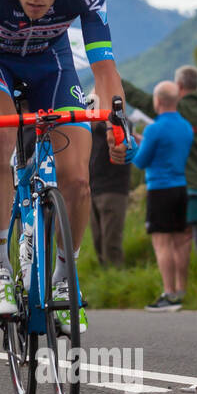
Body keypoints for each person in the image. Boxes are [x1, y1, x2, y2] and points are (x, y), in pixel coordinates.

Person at [0, 0, 133, 331]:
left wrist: (118, 125)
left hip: (52, 67)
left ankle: (62, 278)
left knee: (76, 178)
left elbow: (105, 70)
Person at [122, 66, 197, 248]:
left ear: (178, 86)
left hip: (183, 183)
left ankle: (192, 271)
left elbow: (142, 100)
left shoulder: (178, 109)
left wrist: (111, 76)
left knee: (179, 237)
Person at [133, 83, 194, 310]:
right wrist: (145, 142)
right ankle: (181, 290)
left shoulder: (154, 129)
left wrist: (133, 144)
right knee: (181, 241)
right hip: (180, 186)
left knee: (161, 243)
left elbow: (141, 161)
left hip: (159, 188)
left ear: (157, 101)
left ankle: (168, 294)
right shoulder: (186, 127)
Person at [87, 93, 131, 267]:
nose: (88, 114)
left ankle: (116, 279)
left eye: (92, 109)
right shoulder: (89, 134)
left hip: (113, 189)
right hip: (95, 189)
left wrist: (103, 122)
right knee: (98, 241)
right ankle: (106, 277)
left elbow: (125, 136)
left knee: (111, 242)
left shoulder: (117, 126)